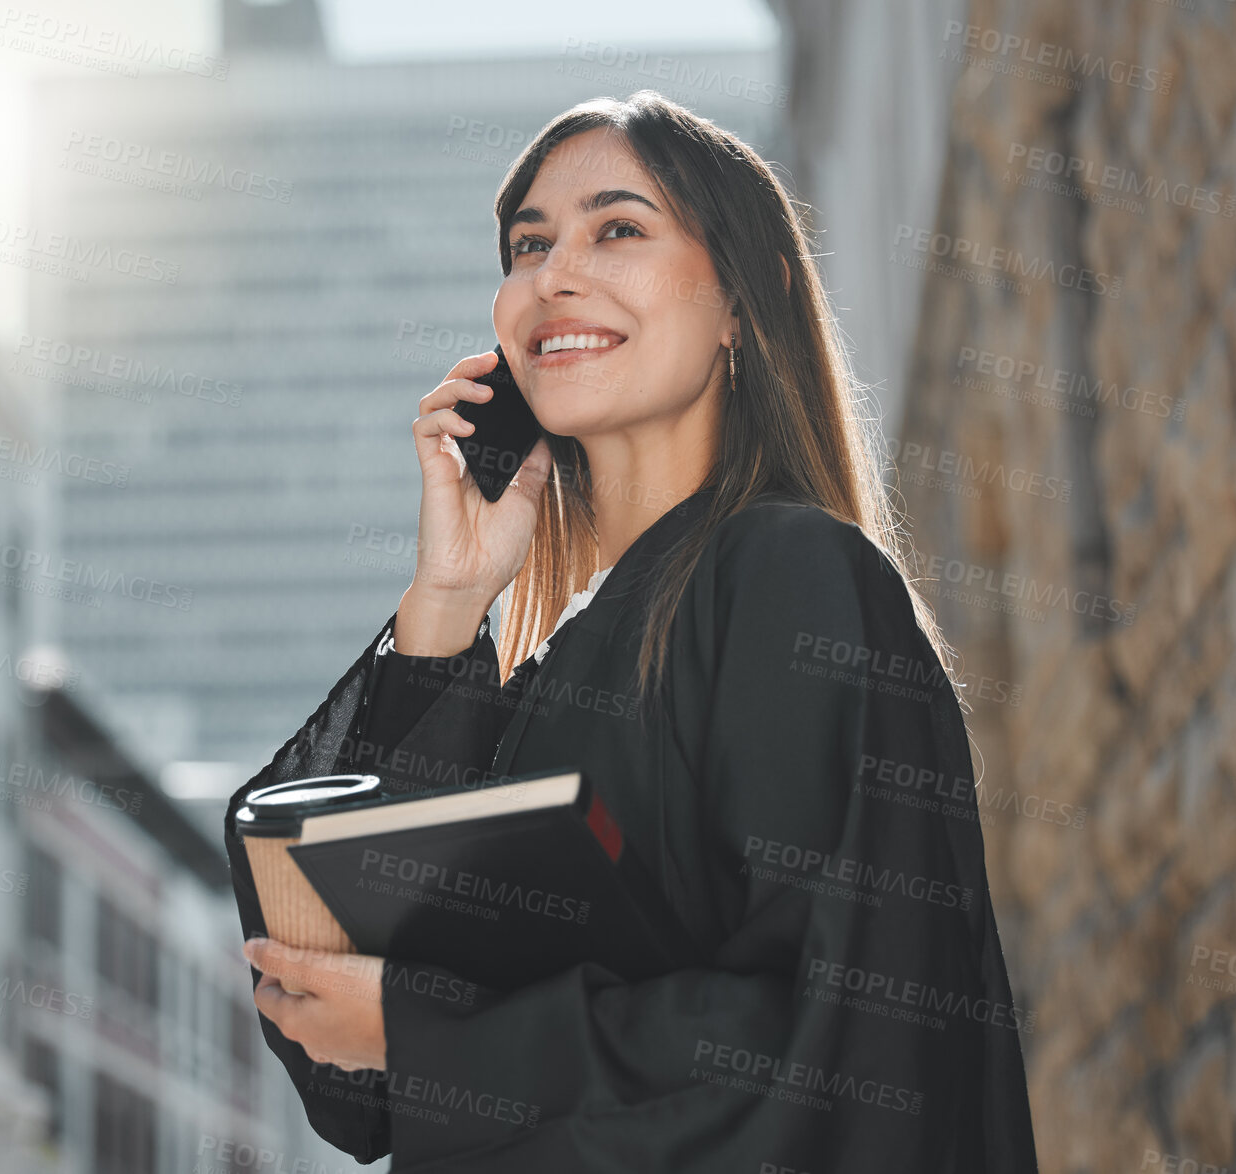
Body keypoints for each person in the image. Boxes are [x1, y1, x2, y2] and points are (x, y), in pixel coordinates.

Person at [223, 89, 1041, 1173]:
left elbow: (829, 1043)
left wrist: (428, 1035)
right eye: (527, 244)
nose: (553, 273)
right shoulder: (545, 667)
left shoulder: (793, 579)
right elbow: (342, 1075)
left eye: (617, 228)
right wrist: (447, 599)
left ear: (739, 302)